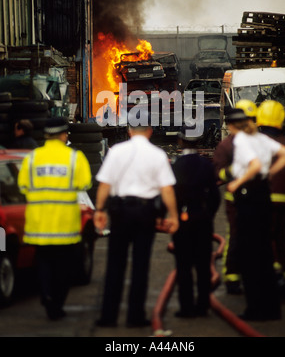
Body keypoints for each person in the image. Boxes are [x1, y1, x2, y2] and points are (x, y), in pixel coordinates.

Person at [93, 118, 179, 328]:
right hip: (145, 212)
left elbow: (105, 184)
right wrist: (173, 216)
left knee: (115, 264)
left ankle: (108, 317)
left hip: (120, 212)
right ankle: (135, 317)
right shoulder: (158, 155)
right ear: (149, 132)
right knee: (141, 264)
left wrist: (100, 210)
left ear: (129, 131)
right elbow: (167, 189)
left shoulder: (116, 152)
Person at [17, 117, 92, 320]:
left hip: (38, 224)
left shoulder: (32, 158)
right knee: (63, 266)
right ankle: (56, 303)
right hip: (64, 225)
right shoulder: (75, 158)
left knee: (43, 262)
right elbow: (84, 184)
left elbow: (22, 186)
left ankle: (46, 294)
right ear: (63, 135)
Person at [226, 108, 285, 321]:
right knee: (265, 252)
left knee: (249, 255)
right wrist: (270, 173)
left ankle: (255, 309)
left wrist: (238, 182)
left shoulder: (242, 141)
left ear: (231, 126)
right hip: (264, 193)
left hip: (249, 197)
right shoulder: (261, 138)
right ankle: (272, 308)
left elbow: (254, 165)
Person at [171, 126, 220, 318]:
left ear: (180, 142)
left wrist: (173, 215)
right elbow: (215, 196)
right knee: (202, 265)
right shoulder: (206, 165)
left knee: (183, 266)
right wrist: (208, 214)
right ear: (198, 143)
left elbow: (170, 194)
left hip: (182, 221)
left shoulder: (176, 166)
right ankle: (203, 306)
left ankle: (186, 308)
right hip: (202, 219)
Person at [213, 100, 257, 295]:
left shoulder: (244, 143)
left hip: (250, 197)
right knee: (238, 237)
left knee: (246, 238)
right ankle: (233, 278)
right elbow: (218, 174)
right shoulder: (227, 146)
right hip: (238, 199)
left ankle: (240, 277)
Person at [256, 100, 285, 299]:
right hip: (284, 201)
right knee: (280, 240)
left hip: (265, 200)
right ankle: (284, 281)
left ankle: (272, 278)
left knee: (266, 239)